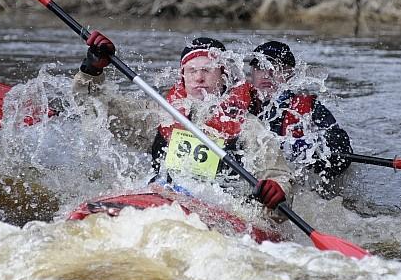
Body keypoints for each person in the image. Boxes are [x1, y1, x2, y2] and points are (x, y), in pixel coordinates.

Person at [72, 33, 294, 215]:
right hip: (163, 200)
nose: (198, 78)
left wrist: (277, 190)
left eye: (207, 70)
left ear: (224, 76)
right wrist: (92, 69)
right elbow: (97, 108)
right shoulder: (161, 114)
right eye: (192, 70)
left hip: (219, 211)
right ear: (183, 76)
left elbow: (279, 176)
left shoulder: (248, 126)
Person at [247, 41, 353, 199]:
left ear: (291, 75)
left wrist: (313, 147)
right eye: (260, 67)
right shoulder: (234, 106)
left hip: (296, 191)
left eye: (276, 67)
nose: (267, 73)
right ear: (252, 74)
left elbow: (342, 147)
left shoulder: (309, 109)